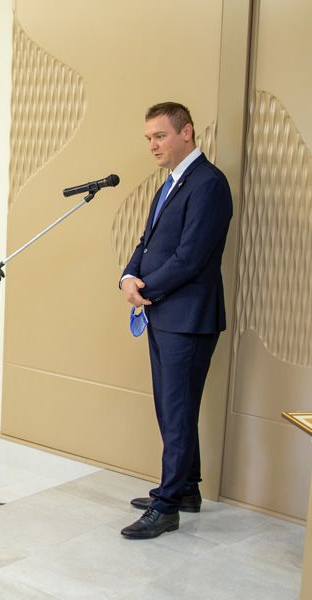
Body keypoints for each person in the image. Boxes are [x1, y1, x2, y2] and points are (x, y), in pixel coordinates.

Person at [119, 102, 232, 539]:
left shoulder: (209, 183)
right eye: (148, 138)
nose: (153, 145)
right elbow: (146, 242)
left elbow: (190, 257)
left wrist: (145, 288)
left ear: (187, 132)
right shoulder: (170, 183)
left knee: (177, 409)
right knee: (173, 407)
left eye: (160, 136)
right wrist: (129, 276)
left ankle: (166, 507)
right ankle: (185, 489)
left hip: (189, 318)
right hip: (163, 314)